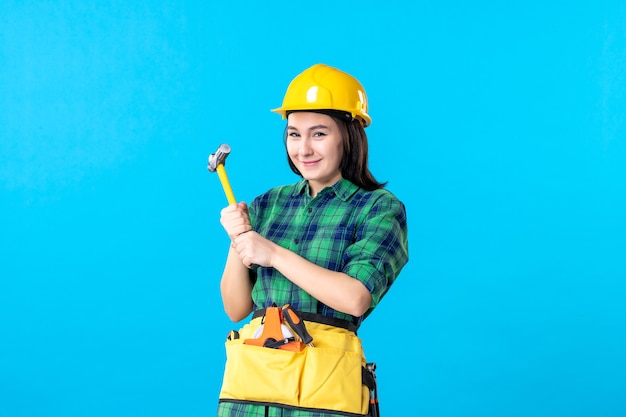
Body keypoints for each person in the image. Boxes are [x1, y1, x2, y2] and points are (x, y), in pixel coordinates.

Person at [216, 63, 409, 417]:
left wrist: (272, 253)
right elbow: (237, 309)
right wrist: (238, 239)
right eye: (294, 134)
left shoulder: (378, 209)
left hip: (323, 396)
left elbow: (354, 298)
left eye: (318, 133)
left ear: (348, 137)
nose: (303, 148)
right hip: (252, 391)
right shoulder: (268, 204)